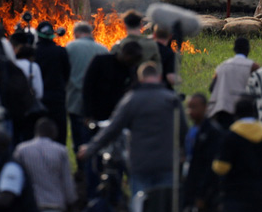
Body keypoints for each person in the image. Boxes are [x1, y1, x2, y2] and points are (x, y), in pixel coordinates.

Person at [79, 62, 186, 198]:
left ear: (140, 78)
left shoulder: (132, 100)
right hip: (167, 162)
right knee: (165, 205)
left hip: (141, 163)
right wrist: (184, 154)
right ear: (159, 77)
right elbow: (184, 131)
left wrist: (91, 148)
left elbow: (113, 128)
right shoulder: (172, 99)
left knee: (140, 205)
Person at [211, 95, 262, 212]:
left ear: (236, 114)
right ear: (255, 113)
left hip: (235, 194)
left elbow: (222, 168)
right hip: (261, 192)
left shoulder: (230, 137)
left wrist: (215, 164)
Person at [13, 118, 77, 212]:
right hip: (56, 205)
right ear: (53, 132)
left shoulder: (21, 150)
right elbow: (67, 182)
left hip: (32, 206)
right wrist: (71, 203)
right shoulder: (61, 150)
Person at [65, 21, 108, 160]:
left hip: (75, 100)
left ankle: (82, 169)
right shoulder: (102, 49)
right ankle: (97, 167)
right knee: (96, 136)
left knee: (78, 137)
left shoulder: (70, 47)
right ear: (90, 33)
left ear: (76, 34)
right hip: (98, 101)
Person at [182, 93, 221, 212]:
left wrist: (203, 195)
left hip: (206, 192)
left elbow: (210, 166)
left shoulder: (212, 132)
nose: (190, 111)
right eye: (188, 107)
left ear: (205, 107)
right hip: (190, 187)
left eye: (194, 107)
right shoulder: (192, 131)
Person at [83, 40, 142, 123]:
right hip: (98, 111)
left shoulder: (131, 69)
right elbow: (87, 86)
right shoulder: (101, 62)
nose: (132, 63)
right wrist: (88, 114)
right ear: (124, 54)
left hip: (119, 113)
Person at [208, 37, 259, 128]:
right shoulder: (253, 66)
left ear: (234, 49)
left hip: (223, 111)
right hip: (244, 114)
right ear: (248, 49)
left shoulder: (222, 66)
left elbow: (212, 88)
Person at [33, 21, 71, 146]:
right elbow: (67, 73)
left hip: (38, 99)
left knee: (38, 130)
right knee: (60, 131)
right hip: (57, 97)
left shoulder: (33, 52)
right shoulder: (60, 51)